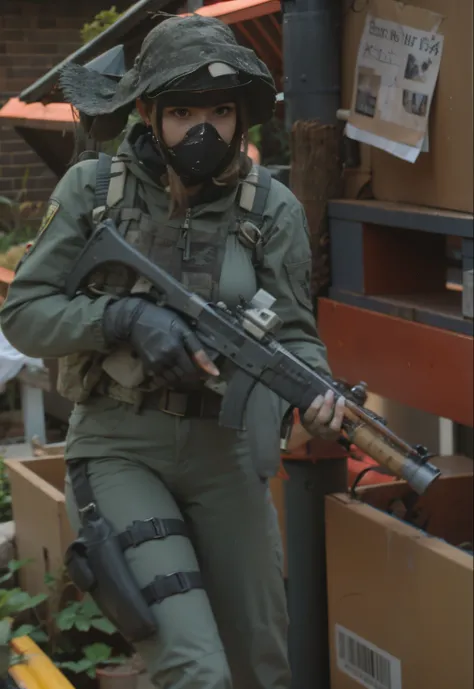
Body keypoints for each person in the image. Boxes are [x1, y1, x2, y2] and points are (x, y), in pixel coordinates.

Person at [0, 14, 344, 689]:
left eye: (219, 110)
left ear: (242, 115)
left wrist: (320, 394)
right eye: (183, 110)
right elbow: (25, 314)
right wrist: (123, 316)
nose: (203, 128)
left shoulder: (270, 210)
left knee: (261, 668)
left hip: (228, 452)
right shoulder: (96, 194)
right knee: (195, 670)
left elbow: (296, 333)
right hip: (120, 445)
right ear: (149, 113)